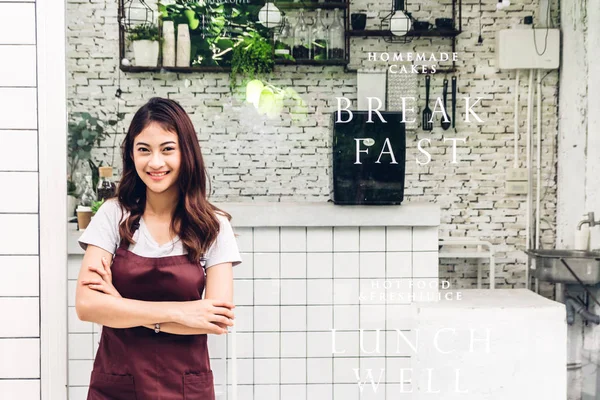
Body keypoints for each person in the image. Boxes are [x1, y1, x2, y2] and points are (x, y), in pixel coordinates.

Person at [75, 97, 242, 400]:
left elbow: (214, 319)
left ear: (186, 152)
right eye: (143, 150)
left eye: (167, 149)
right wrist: (183, 313)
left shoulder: (213, 227)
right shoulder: (113, 215)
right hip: (117, 387)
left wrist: (120, 306)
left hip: (185, 389)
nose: (155, 162)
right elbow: (87, 306)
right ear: (131, 154)